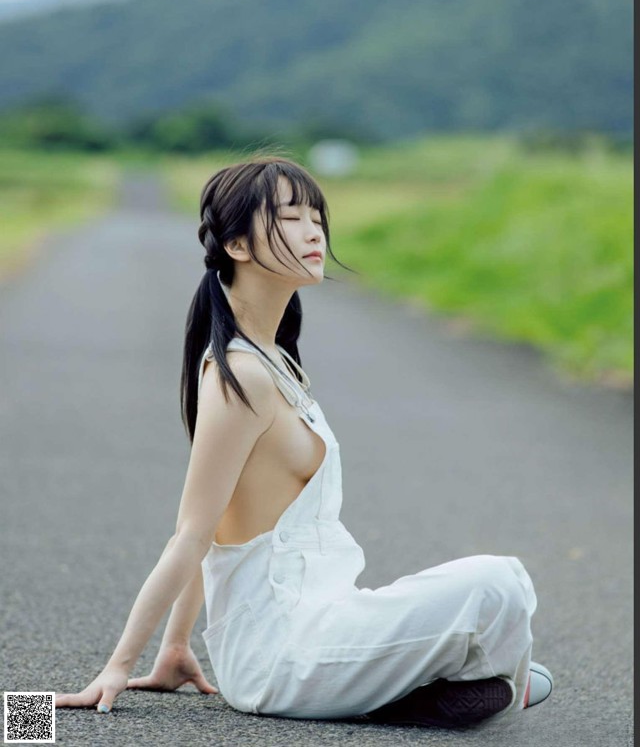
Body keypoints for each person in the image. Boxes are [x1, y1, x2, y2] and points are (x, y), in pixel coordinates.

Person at [55, 153, 553, 728]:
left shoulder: (276, 363)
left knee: (499, 586)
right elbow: (192, 534)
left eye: (316, 214)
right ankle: (436, 689)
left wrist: (175, 650)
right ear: (239, 246)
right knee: (498, 586)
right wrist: (117, 667)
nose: (313, 228)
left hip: (328, 619)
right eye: (290, 216)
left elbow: (217, 524)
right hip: (284, 655)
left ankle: (433, 687)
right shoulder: (239, 374)